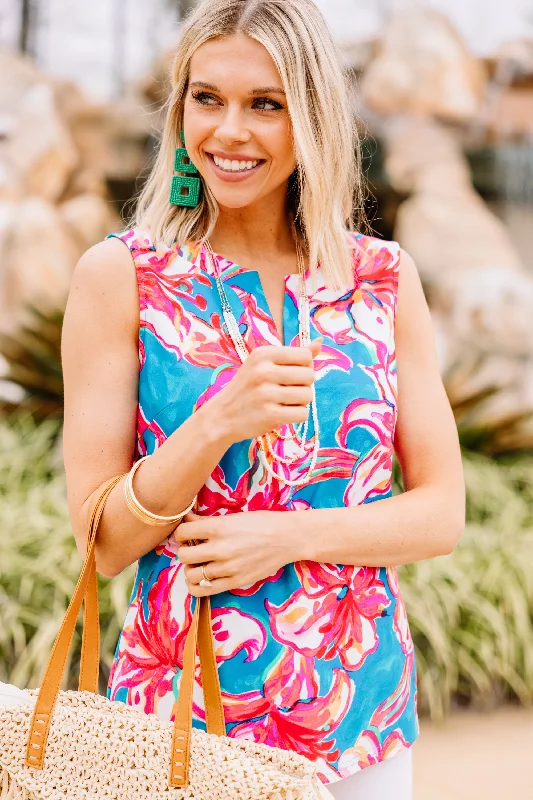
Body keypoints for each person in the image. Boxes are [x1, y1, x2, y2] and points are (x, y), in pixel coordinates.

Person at [61, 1, 465, 797]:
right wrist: (214, 423)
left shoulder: (381, 280)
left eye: (265, 105)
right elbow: (101, 543)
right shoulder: (122, 277)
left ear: (310, 117)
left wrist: (283, 536)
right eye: (205, 98)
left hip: (359, 716)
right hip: (179, 722)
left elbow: (439, 513)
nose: (228, 132)